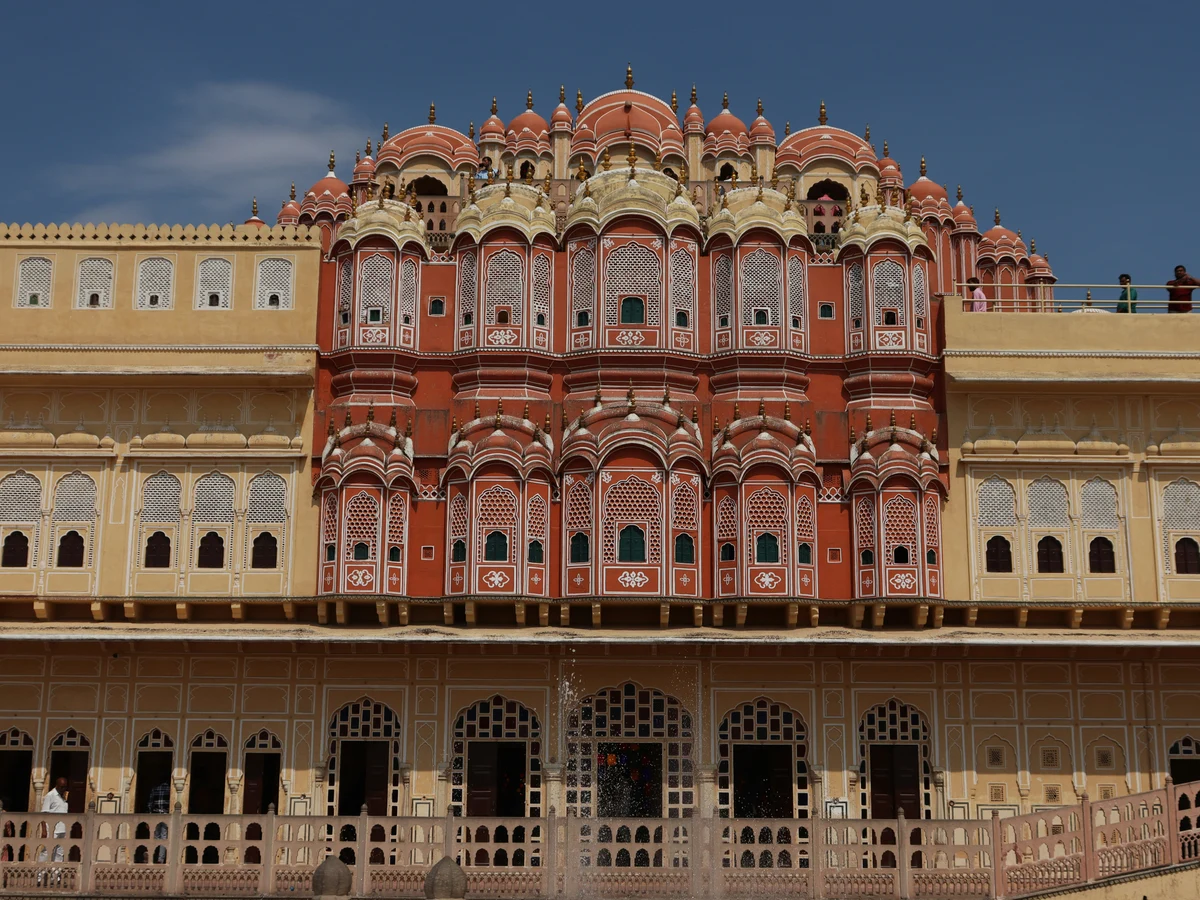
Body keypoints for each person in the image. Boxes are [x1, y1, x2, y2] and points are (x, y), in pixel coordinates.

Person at [39, 777, 68, 864]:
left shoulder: (63, 797)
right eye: (61, 787)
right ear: (57, 786)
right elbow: (44, 813)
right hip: (52, 830)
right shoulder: (50, 795)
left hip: (62, 829)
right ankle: (40, 875)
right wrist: (44, 830)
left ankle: (55, 875)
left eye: (65, 787)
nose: (63, 789)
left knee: (59, 853)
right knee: (47, 851)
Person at [147, 781, 170, 864]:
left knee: (155, 837)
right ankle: (160, 859)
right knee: (163, 837)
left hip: (155, 815)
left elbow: (150, 804)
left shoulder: (155, 789)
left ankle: (151, 856)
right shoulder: (170, 789)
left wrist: (149, 817)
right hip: (165, 816)